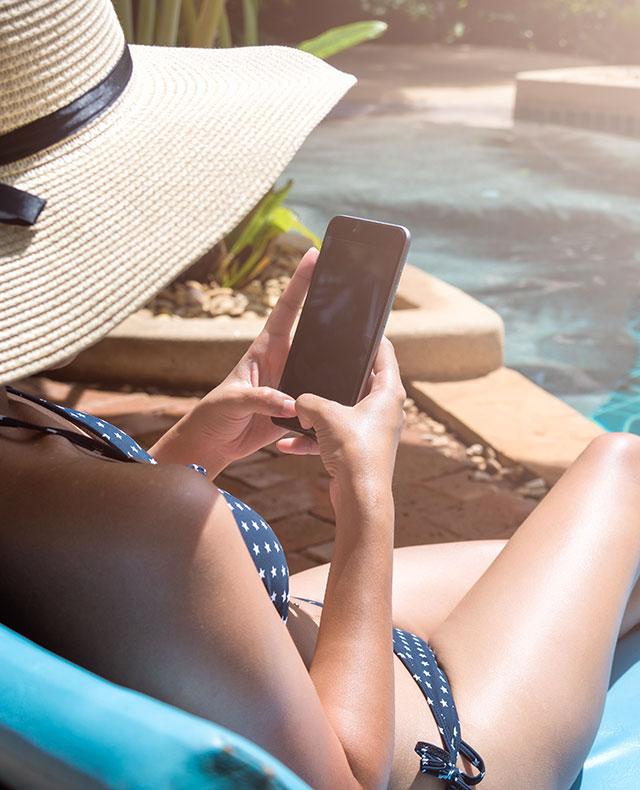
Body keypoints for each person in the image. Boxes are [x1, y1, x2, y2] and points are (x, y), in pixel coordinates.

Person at [1, 2, 639, 789]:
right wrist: (368, 496)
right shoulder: (156, 528)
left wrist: (194, 449)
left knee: (580, 564)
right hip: (428, 752)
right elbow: (346, 775)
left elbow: (93, 568)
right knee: (623, 470)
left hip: (249, 648)